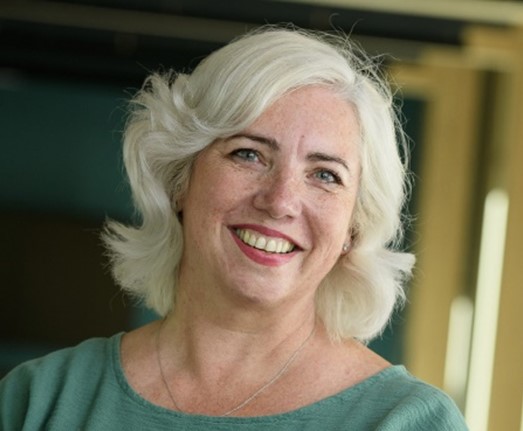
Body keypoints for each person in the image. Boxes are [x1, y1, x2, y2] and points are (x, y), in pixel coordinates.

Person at [0, 25, 468, 429]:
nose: (280, 201)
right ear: (179, 179)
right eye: (249, 154)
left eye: (325, 175)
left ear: (353, 228)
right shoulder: (40, 399)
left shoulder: (405, 421)